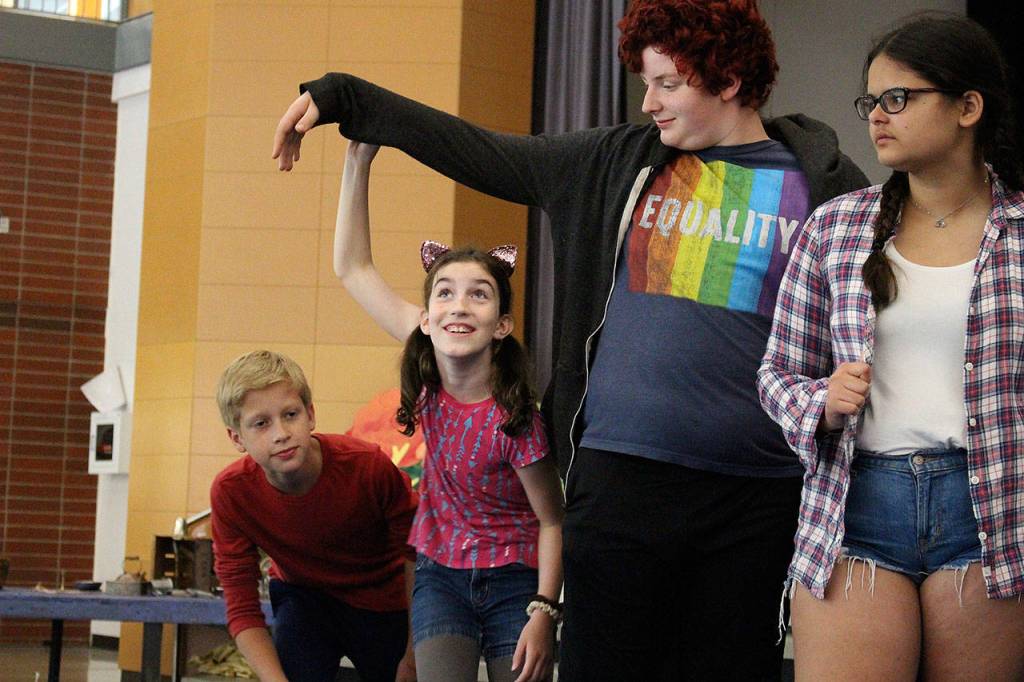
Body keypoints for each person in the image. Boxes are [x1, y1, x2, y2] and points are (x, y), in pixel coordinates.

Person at [274, 1, 867, 678]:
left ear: (728, 79)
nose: (648, 103)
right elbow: (479, 149)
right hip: (619, 484)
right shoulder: (613, 164)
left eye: (667, 84)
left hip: (755, 497)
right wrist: (349, 98)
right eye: (646, 83)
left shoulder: (825, 187)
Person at [757, 13, 1024, 680]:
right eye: (871, 101)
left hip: (991, 507)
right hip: (856, 505)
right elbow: (777, 373)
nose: (878, 116)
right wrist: (821, 401)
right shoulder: (835, 228)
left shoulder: (1018, 233)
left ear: (969, 106)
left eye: (898, 98)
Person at [333, 139, 564, 682]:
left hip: (517, 577)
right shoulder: (430, 381)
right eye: (445, 293)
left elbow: (553, 519)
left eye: (480, 295)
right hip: (441, 575)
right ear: (428, 318)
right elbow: (352, 266)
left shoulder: (518, 419)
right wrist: (357, 161)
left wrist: (545, 612)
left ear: (501, 325)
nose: (459, 304)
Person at [211, 350, 419, 682]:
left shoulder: (368, 467)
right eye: (261, 423)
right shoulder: (231, 492)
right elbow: (241, 605)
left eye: (290, 414)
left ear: (310, 415)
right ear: (237, 437)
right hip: (303, 598)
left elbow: (417, 556)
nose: (281, 433)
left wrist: (412, 657)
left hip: (385, 600)